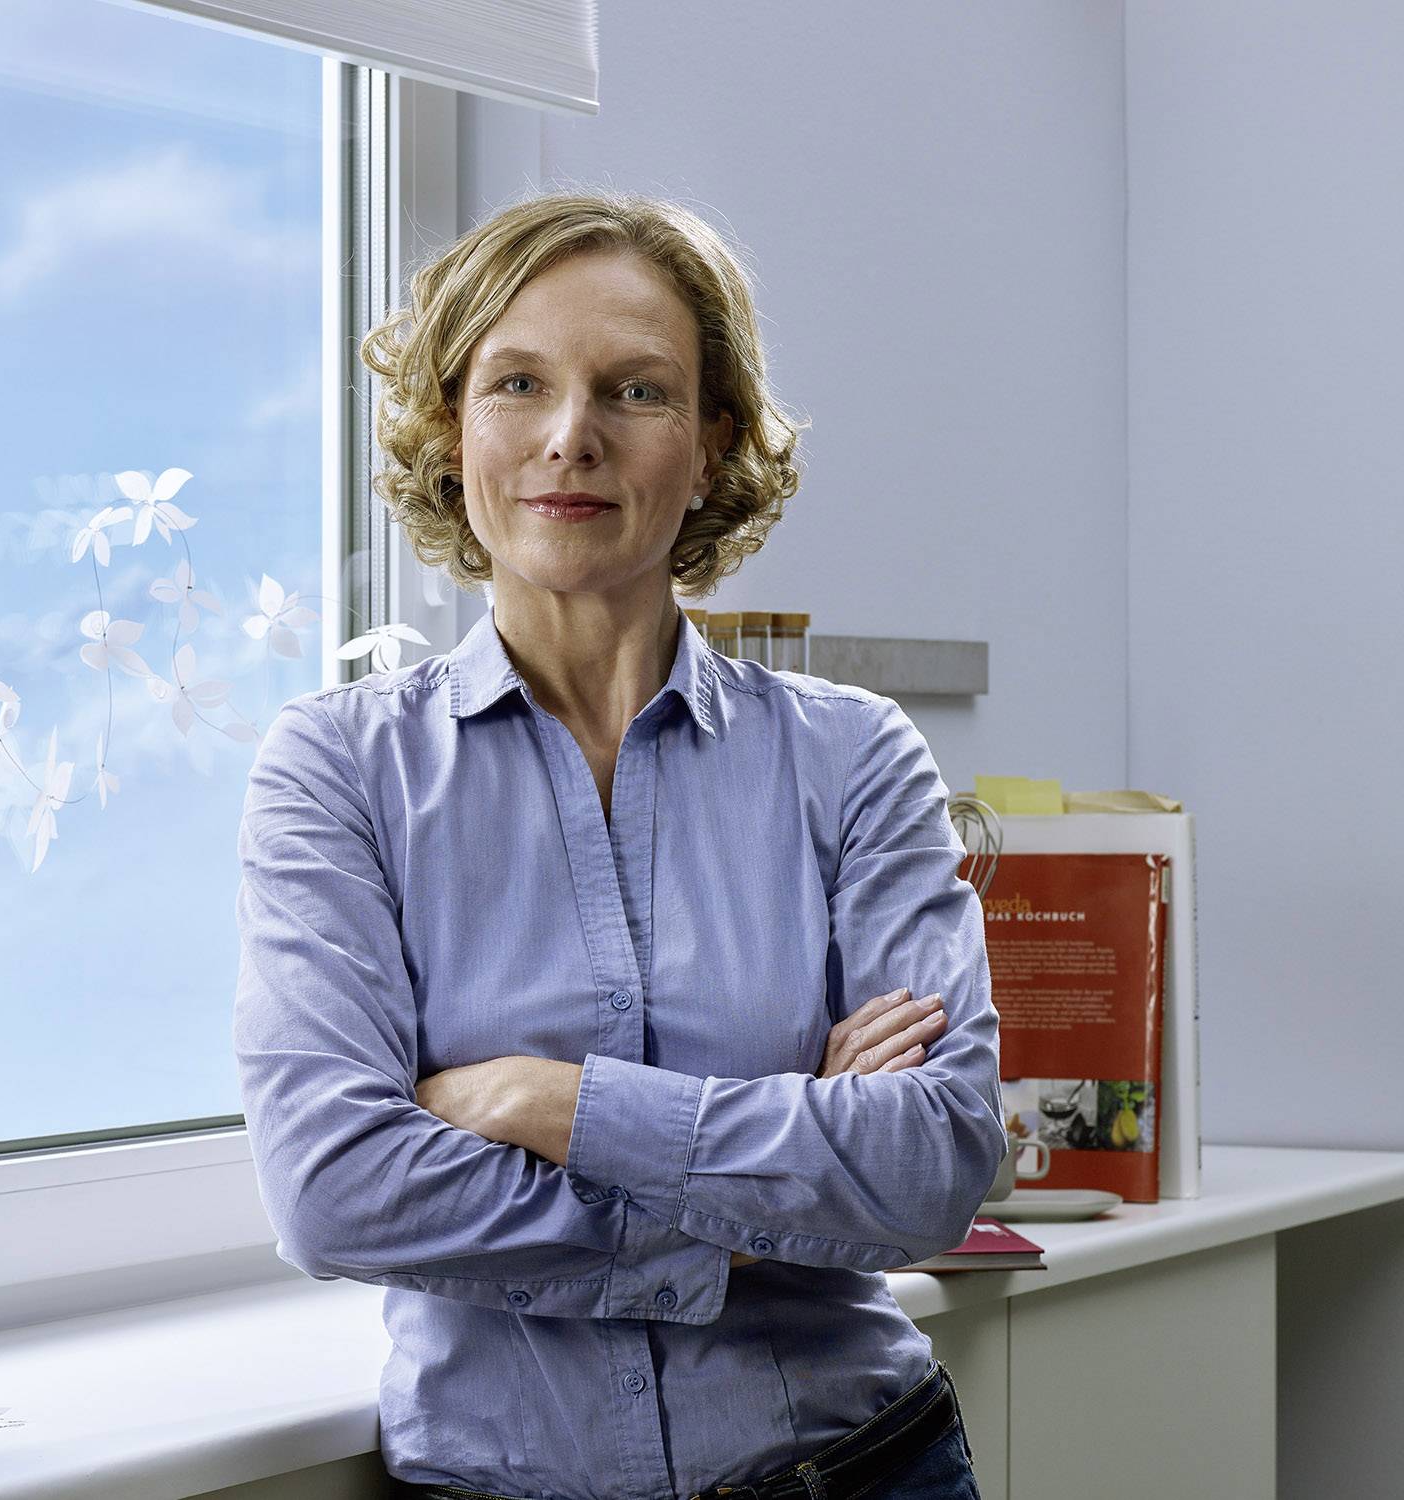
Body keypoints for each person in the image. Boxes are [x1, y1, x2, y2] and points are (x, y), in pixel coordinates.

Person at [232, 189, 1003, 1500]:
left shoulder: (852, 759)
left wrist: (546, 1100)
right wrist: (765, 1203)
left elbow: (928, 1168)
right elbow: (337, 1186)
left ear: (711, 445)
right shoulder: (337, 770)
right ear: (451, 425)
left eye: (634, 391)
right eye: (519, 382)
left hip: (866, 1470)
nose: (569, 439)